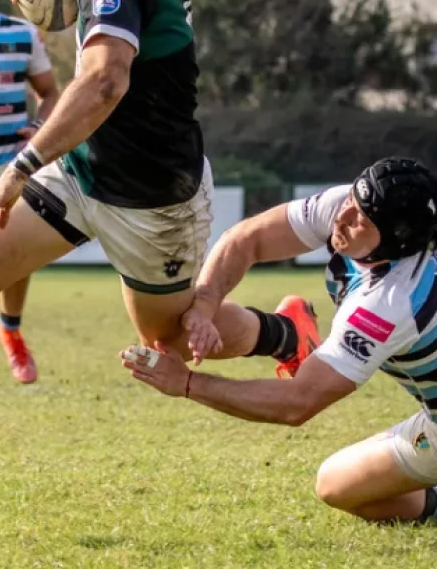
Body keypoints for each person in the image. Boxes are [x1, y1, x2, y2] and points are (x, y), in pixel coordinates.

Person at [0, 0, 278, 374]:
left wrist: (21, 167)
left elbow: (104, 83)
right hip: (80, 169)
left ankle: (282, 332)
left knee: (171, 341)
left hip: (151, 195)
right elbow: (87, 7)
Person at [122, 156, 437, 526]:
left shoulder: (391, 301)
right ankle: (288, 335)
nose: (344, 216)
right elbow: (248, 239)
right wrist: (204, 306)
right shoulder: (348, 207)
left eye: (361, 220)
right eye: (352, 199)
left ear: (396, 242)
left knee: (334, 484)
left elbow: (296, 403)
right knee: (338, 484)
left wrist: (189, 383)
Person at [0, 0, 58, 385]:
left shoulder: (22, 33)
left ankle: (11, 332)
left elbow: (50, 92)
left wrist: (40, 126)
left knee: (15, 260)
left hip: (11, 170)